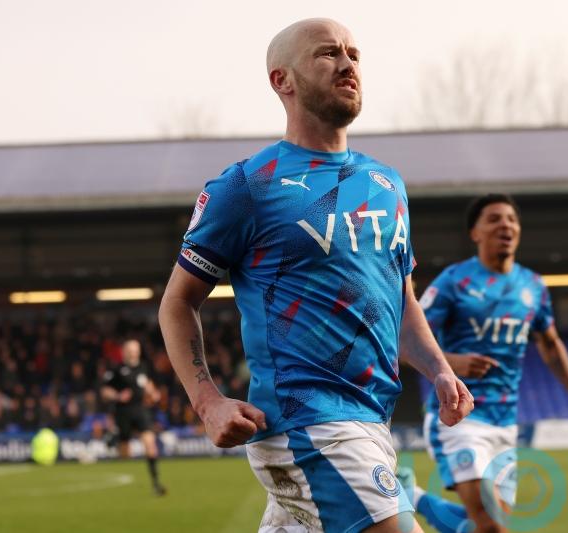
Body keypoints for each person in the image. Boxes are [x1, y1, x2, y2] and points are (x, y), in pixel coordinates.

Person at [158, 18, 473, 533]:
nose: (348, 63)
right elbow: (177, 303)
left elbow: (401, 300)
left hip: (372, 418)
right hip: (306, 423)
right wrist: (208, 401)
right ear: (281, 80)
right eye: (327, 53)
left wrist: (439, 369)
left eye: (354, 53)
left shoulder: (386, 183)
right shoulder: (248, 186)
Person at [400, 194, 568, 533]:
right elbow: (406, 340)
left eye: (511, 219)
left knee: (485, 527)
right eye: (493, 219)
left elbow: (550, 343)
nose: (505, 224)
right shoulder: (454, 281)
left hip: (505, 422)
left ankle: (411, 497)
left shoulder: (533, 286)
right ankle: (412, 498)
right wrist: (454, 363)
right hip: (459, 417)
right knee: (491, 526)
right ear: (475, 233)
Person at [101, 339, 166, 496]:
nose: (133, 353)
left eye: (135, 350)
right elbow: (104, 392)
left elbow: (147, 385)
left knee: (150, 446)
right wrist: (117, 395)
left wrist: (154, 394)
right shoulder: (116, 370)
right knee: (125, 453)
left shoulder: (144, 367)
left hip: (140, 410)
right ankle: (113, 441)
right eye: (130, 350)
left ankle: (156, 483)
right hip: (122, 413)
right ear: (124, 352)